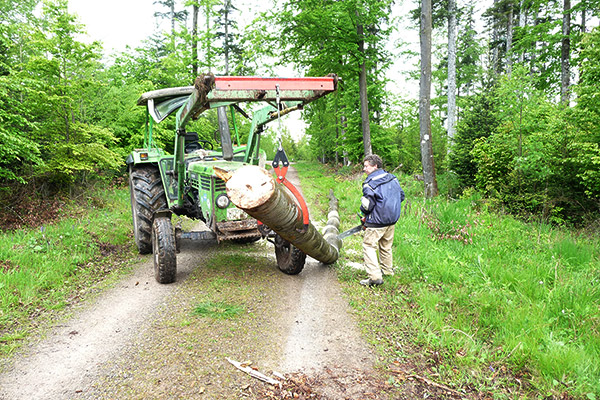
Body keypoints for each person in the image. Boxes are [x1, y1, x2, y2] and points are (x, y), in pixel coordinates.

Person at [359, 154, 405, 287]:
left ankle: (375, 277)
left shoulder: (370, 183)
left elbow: (368, 205)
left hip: (377, 221)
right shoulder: (393, 178)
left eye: (367, 166)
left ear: (375, 166)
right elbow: (401, 196)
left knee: (368, 246)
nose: (364, 169)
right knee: (386, 245)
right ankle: (387, 271)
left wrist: (364, 212)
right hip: (391, 220)